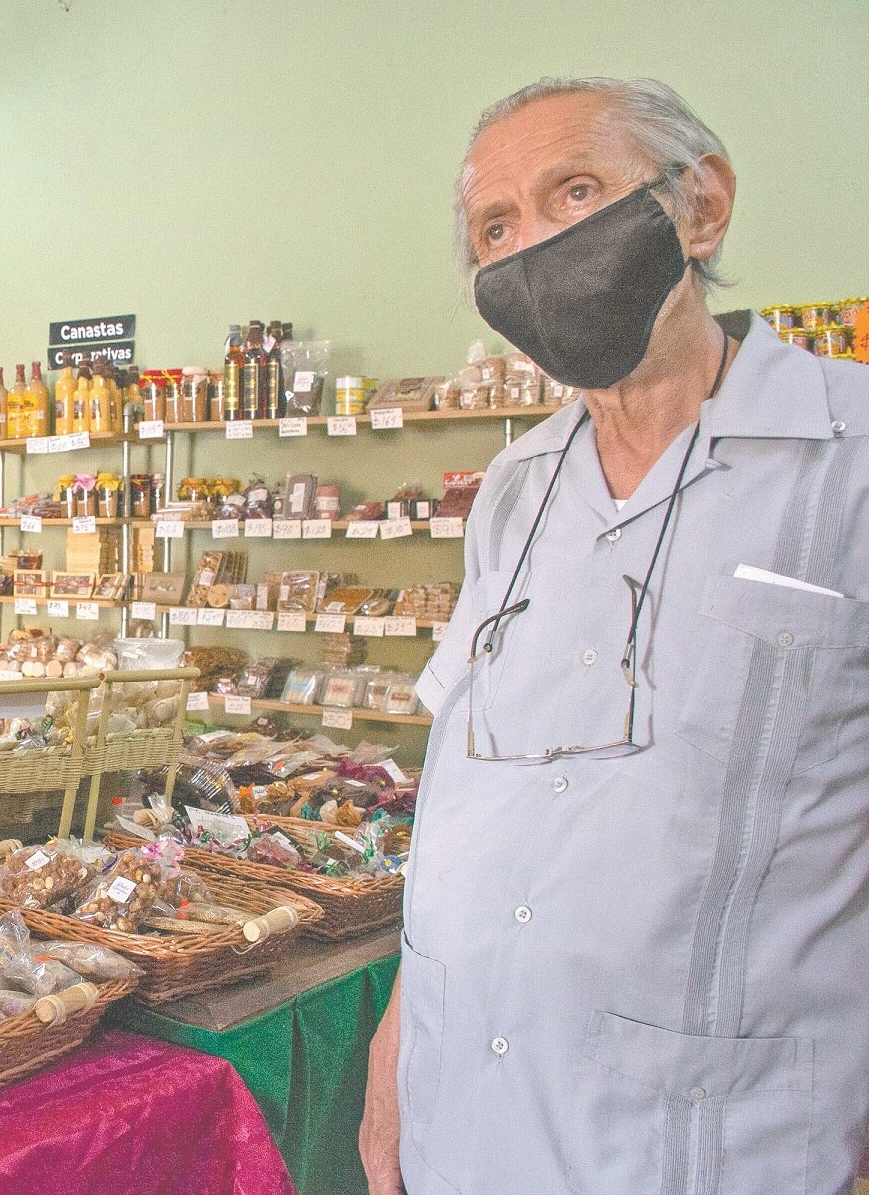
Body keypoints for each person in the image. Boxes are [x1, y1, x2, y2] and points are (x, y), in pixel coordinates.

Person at [359, 77, 869, 1195]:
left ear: (702, 205)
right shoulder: (514, 486)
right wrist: (398, 1042)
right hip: (462, 1116)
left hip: (710, 1140)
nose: (536, 245)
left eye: (576, 192)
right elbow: (468, 806)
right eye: (497, 228)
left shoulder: (849, 459)